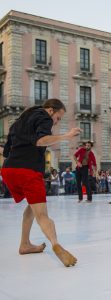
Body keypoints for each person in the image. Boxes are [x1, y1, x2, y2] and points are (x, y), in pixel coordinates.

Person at [1, 99, 81, 267]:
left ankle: (25, 244)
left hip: (9, 170)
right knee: (42, 215)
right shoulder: (44, 116)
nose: (56, 122)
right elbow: (41, 140)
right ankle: (56, 244)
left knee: (31, 208)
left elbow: (7, 150)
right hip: (27, 171)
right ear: (51, 110)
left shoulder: (18, 122)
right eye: (58, 118)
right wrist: (66, 136)